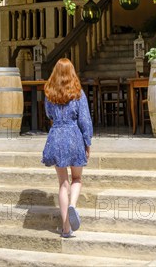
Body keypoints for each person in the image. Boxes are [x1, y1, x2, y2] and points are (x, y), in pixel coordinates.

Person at [41, 58, 93, 238]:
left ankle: (65, 229)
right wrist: (88, 142)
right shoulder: (78, 94)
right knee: (77, 179)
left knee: (63, 183)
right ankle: (73, 205)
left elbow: (48, 114)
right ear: (72, 73)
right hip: (74, 136)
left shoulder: (49, 94)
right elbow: (84, 121)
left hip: (56, 136)